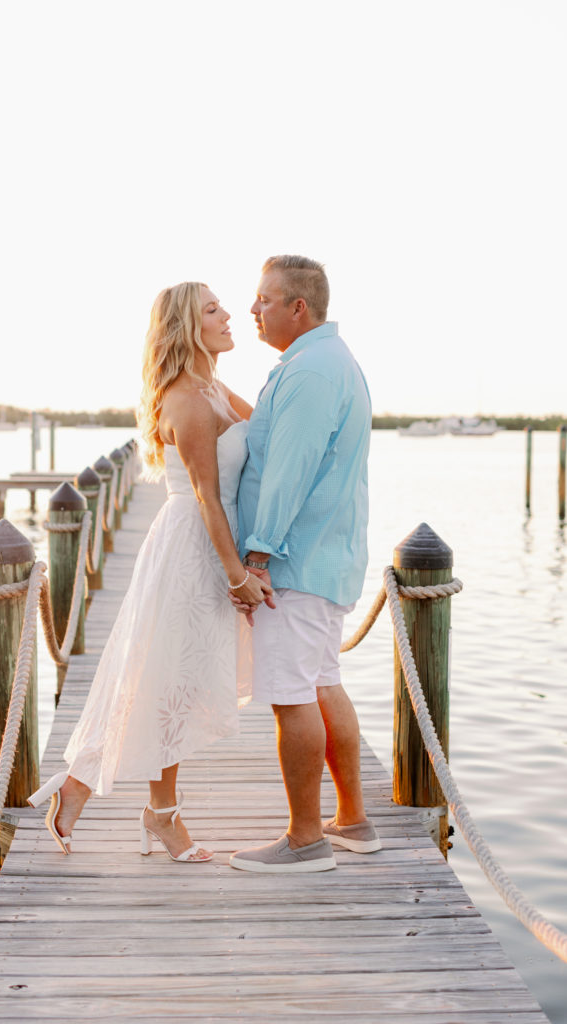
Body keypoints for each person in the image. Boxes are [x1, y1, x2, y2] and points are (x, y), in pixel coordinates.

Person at [28, 281, 272, 862]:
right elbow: (209, 498)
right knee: (167, 684)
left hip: (210, 543)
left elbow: (264, 430)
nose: (229, 314)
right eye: (214, 310)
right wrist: (237, 573)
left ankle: (86, 791)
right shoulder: (187, 399)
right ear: (189, 327)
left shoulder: (211, 385)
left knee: (170, 682)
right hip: (194, 547)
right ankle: (158, 815)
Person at [228, 255, 381, 873]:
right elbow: (276, 440)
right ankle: (352, 822)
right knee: (320, 684)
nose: (252, 310)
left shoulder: (312, 371)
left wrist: (257, 555)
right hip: (323, 558)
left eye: (264, 299)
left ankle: (305, 839)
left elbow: (289, 471)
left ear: (299, 307)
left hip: (295, 562)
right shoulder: (318, 363)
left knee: (292, 696)